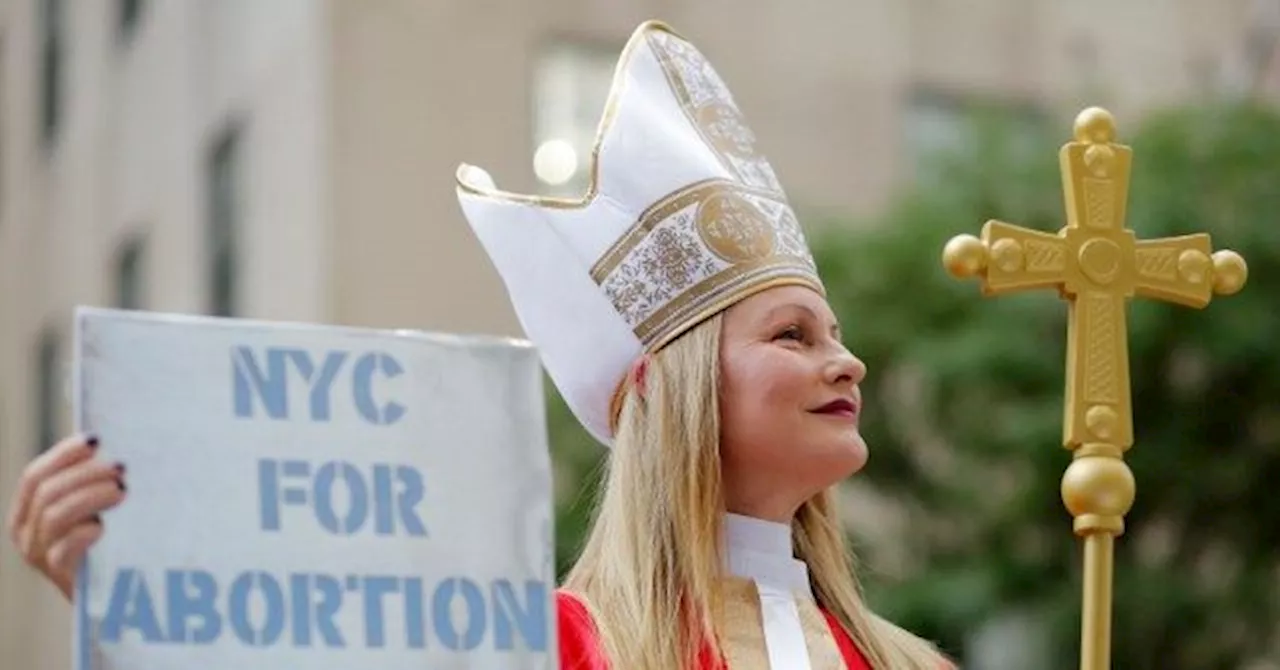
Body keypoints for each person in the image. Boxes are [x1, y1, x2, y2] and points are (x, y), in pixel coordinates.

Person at [8, 19, 952, 670]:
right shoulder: (541, 646)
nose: (848, 360)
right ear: (667, 388)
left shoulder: (910, 662)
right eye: (793, 335)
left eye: (834, 333)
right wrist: (141, 616)